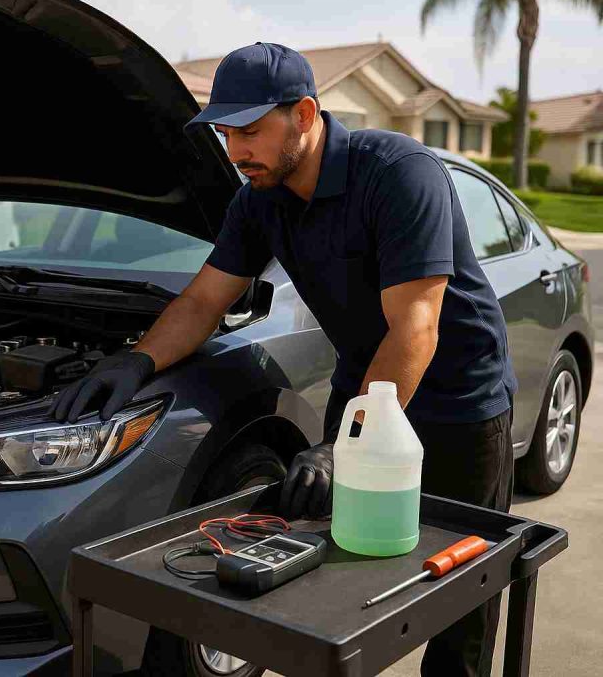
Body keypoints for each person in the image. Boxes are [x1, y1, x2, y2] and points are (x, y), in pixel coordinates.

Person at [49, 42, 517, 677]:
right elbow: (203, 302)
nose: (236, 152)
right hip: (364, 393)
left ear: (303, 114)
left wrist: (344, 443)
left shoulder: (396, 172)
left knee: (461, 594)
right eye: (225, 133)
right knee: (344, 578)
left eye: (248, 131)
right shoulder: (259, 200)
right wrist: (137, 361)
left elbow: (416, 326)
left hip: (459, 401)